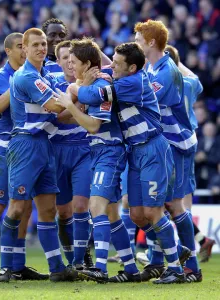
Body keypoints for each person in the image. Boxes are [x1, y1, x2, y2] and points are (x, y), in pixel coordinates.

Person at [0, 28, 77, 283]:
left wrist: (77, 106)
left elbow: (61, 112)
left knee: (49, 208)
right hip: (25, 144)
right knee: (18, 207)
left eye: (44, 44)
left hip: (43, 143)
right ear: (25, 49)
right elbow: (55, 106)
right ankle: (6, 268)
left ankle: (56, 268)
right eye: (36, 45)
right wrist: (82, 93)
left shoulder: (44, 76)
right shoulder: (27, 76)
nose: (43, 48)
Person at [56, 38, 140, 283]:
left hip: (109, 151)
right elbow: (67, 118)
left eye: (73, 62)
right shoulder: (90, 86)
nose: (70, 66)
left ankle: (100, 268)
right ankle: (132, 270)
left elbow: (93, 125)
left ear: (87, 63)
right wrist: (77, 92)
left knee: (96, 208)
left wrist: (72, 101)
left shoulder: (103, 85)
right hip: (100, 151)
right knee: (112, 215)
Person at [0, 33, 48, 281]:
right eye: (20, 47)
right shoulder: (2, 76)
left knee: (25, 207)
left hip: (26, 147)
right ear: (9, 51)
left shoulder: (38, 73)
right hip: (3, 146)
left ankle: (17, 264)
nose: (24, 51)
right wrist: (17, 83)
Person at [135, 20, 202, 283]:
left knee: (172, 205)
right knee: (157, 206)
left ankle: (188, 265)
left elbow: (142, 100)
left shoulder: (164, 72)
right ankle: (165, 260)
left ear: (151, 42)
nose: (137, 43)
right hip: (168, 144)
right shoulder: (156, 67)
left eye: (139, 39)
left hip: (177, 144)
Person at [166, 45, 216, 264]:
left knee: (172, 205)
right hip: (189, 143)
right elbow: (195, 77)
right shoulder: (189, 83)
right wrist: (177, 61)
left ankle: (185, 255)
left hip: (173, 144)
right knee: (181, 204)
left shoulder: (164, 85)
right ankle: (197, 244)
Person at [49, 40, 93, 270]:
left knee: (80, 205)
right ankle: (71, 259)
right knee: (63, 211)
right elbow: (56, 117)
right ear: (58, 61)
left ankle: (81, 259)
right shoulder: (52, 83)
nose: (68, 61)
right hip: (56, 150)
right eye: (64, 57)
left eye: (72, 57)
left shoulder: (89, 83)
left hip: (83, 149)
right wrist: (78, 101)